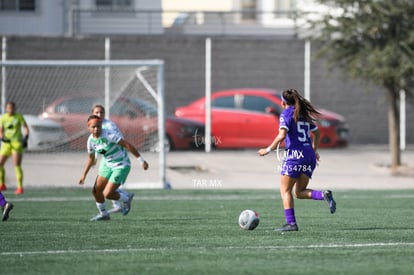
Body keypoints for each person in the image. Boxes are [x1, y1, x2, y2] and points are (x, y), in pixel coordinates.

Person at [257, 89, 336, 232]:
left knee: (285, 190)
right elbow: (317, 132)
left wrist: (267, 150)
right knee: (298, 192)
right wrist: (314, 150)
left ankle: (291, 224)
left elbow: (281, 136)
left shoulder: (286, 113)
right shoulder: (303, 114)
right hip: (309, 156)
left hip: (295, 156)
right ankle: (323, 195)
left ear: (283, 102)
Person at [78, 115, 149, 221]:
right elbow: (91, 158)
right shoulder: (91, 141)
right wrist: (83, 175)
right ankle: (104, 214)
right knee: (96, 191)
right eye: (93, 127)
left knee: (107, 194)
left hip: (121, 165)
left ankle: (126, 198)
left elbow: (127, 145)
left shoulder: (109, 134)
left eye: (98, 126)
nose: (96, 129)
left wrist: (141, 160)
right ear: (88, 128)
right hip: (107, 165)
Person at [91, 104, 128, 214]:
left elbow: (119, 141)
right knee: (102, 186)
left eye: (101, 112)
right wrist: (95, 157)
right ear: (92, 113)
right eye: (97, 112)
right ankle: (117, 204)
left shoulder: (109, 126)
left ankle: (125, 197)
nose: (99, 114)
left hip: (117, 157)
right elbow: (97, 143)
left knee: (105, 186)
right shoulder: (95, 125)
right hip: (107, 157)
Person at [0, 101, 29, 195]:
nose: (10, 110)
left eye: (12, 108)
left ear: (14, 108)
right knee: (0, 163)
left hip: (16, 143)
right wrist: (2, 138)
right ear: (6, 109)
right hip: (7, 144)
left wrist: (25, 138)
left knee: (16, 164)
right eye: (8, 108)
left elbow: (26, 128)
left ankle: (20, 187)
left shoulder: (18, 116)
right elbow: (1, 131)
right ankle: (2, 184)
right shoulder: (3, 118)